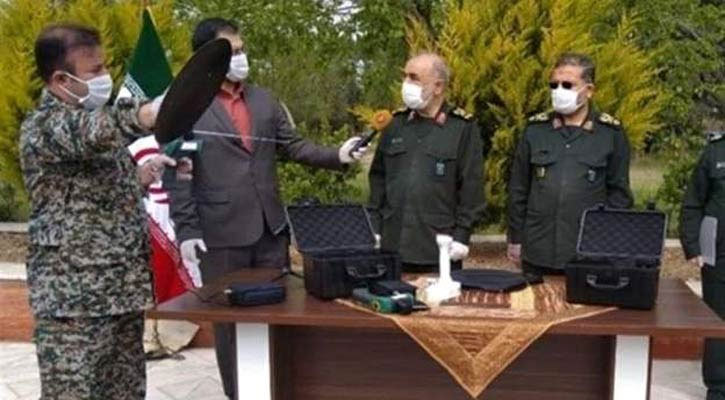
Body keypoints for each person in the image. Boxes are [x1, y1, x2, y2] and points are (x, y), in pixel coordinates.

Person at [165, 17, 367, 400]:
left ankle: (279, 390)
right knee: (231, 324)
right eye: (232, 52)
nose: (241, 58)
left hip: (270, 231)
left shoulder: (263, 99)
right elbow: (180, 174)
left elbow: (293, 146)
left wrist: (337, 155)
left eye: (243, 50)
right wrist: (187, 230)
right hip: (220, 236)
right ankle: (238, 393)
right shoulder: (189, 107)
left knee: (279, 315)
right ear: (208, 57)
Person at [19, 24, 182, 399]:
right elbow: (96, 130)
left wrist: (142, 175)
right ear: (61, 79)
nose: (105, 76)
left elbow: (90, 194)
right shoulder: (44, 126)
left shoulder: (86, 122)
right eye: (94, 70)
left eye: (104, 66)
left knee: (125, 392)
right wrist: (150, 112)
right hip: (74, 303)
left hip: (119, 292)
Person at [507, 52, 633, 275]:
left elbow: (619, 195)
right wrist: (515, 238)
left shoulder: (610, 134)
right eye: (554, 85)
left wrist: (607, 242)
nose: (559, 91)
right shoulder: (535, 130)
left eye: (567, 85)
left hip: (587, 251)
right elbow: (519, 188)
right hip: (538, 248)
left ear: (589, 90)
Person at [368, 52, 485, 273]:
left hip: (438, 246)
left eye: (414, 78)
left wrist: (462, 235)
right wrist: (373, 225)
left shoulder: (461, 128)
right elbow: (378, 178)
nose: (406, 84)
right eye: (405, 76)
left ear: (438, 87)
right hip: (392, 244)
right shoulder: (395, 125)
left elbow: (472, 186)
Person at [680, 130, 725, 400]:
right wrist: (693, 245)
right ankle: (719, 387)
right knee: (718, 322)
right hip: (719, 255)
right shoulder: (715, 152)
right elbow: (693, 202)